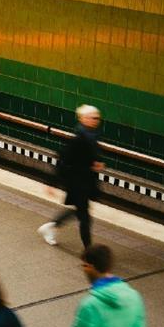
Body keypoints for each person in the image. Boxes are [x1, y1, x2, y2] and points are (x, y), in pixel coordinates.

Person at [39, 105, 104, 249]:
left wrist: (95, 164)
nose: (96, 120)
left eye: (98, 118)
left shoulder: (91, 135)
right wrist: (51, 183)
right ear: (83, 119)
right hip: (77, 183)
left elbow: (88, 157)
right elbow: (63, 160)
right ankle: (89, 251)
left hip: (85, 182)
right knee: (85, 218)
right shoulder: (79, 139)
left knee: (80, 211)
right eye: (93, 118)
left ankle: (51, 226)